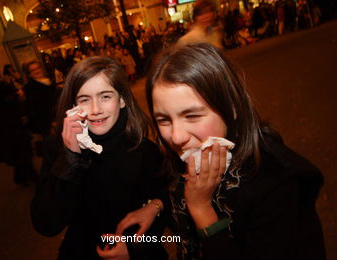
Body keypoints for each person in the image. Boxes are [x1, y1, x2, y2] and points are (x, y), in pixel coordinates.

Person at [117, 43, 326, 259]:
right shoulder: (185, 158)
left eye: (192, 116)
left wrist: (201, 209)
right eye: (164, 119)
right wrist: (155, 207)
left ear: (231, 106)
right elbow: (175, 210)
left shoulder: (273, 181)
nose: (177, 137)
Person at [30, 56, 167, 259]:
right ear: (73, 105)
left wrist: (136, 247)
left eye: (105, 96)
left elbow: (168, 209)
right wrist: (71, 159)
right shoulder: (58, 149)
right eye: (84, 99)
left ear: (121, 100)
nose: (95, 110)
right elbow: (46, 224)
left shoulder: (144, 149)